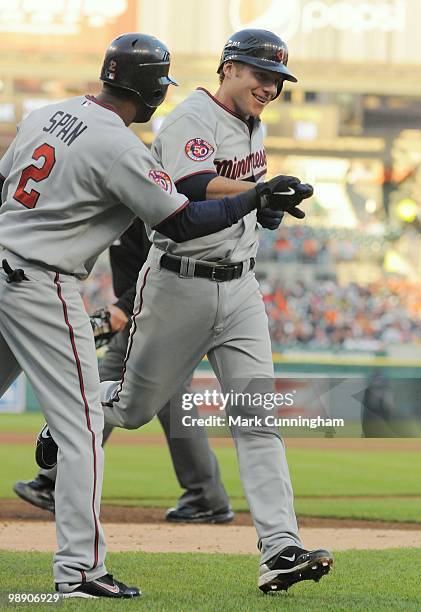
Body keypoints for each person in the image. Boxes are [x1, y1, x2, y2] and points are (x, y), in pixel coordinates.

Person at [0, 32, 301, 599]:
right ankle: (79, 573)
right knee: (88, 424)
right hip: (45, 279)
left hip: (5, 259)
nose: (269, 87)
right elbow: (180, 219)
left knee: (250, 417)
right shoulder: (123, 147)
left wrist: (258, 199)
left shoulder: (48, 113)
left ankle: (282, 547)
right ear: (155, 90)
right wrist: (255, 197)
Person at [14, 218, 234, 523]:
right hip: (143, 313)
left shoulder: (147, 204)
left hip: (158, 314)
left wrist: (124, 308)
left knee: (154, 399)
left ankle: (206, 497)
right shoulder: (124, 199)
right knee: (128, 390)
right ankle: (205, 496)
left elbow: (164, 264)